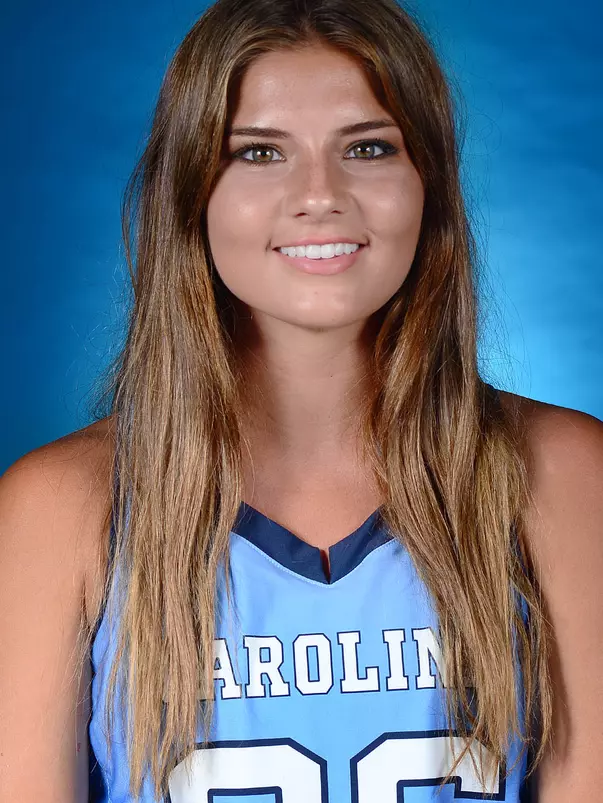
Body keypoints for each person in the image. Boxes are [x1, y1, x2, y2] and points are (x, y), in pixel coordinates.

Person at [1, 0, 602, 800]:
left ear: (429, 183)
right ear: (192, 194)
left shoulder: (558, 475)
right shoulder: (61, 508)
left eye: (367, 147)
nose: (320, 194)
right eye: (258, 153)